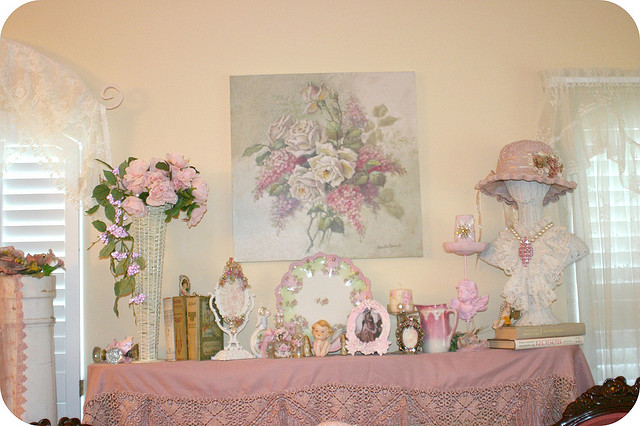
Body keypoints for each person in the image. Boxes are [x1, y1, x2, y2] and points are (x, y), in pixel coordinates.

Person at [476, 140, 588, 326]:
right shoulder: (501, 246)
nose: (522, 185)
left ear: (548, 185)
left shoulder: (566, 244)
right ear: (506, 186)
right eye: (513, 180)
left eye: (534, 181)